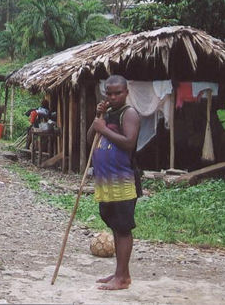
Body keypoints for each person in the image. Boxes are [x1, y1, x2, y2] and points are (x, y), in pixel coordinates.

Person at [87, 75, 141, 290]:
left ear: (126, 92)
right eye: (109, 93)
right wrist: (98, 117)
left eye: (117, 93)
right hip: (106, 181)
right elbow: (90, 139)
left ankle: (122, 277)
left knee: (123, 228)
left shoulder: (129, 114)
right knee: (115, 226)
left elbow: (129, 143)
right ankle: (121, 274)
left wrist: (104, 129)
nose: (113, 96)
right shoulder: (107, 114)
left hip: (123, 180)